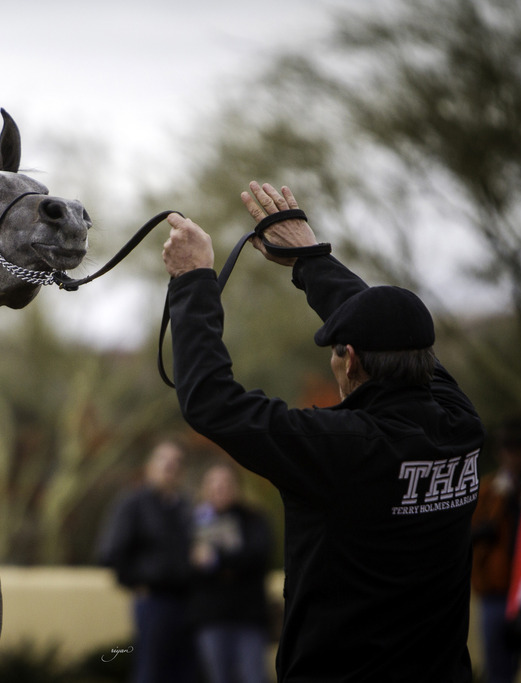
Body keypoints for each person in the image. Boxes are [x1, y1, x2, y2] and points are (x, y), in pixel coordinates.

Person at [161, 181, 485, 682]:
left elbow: (213, 403)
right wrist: (310, 258)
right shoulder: (460, 424)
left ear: (349, 359)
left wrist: (192, 280)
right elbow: (393, 332)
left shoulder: (344, 449)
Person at [98, 440, 199, 683]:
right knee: (152, 670)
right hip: (154, 600)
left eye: (176, 462)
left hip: (188, 601)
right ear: (149, 466)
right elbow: (111, 551)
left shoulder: (185, 507)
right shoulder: (133, 503)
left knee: (185, 672)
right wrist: (135, 582)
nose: (170, 466)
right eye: (163, 459)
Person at [190, 463, 272, 683]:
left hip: (248, 617)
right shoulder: (194, 521)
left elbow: (258, 556)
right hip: (211, 617)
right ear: (205, 487)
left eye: (225, 483)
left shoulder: (253, 519)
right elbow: (186, 565)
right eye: (214, 483)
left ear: (237, 487)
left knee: (253, 676)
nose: (220, 488)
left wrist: (215, 559)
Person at [473, 416, 521, 683]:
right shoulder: (489, 490)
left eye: (519, 448)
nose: (512, 455)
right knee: (498, 673)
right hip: (496, 594)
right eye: (507, 448)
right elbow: (469, 536)